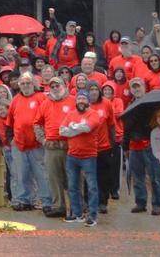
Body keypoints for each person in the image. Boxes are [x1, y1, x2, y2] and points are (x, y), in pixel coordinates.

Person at [60, 91, 102, 227]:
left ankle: (93, 215)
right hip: (72, 155)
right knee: (72, 186)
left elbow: (88, 127)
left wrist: (72, 127)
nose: (81, 101)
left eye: (84, 98)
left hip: (89, 155)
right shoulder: (71, 114)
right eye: (79, 99)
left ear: (88, 101)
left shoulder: (93, 114)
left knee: (92, 187)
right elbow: (61, 130)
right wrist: (78, 128)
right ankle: (77, 214)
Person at [35, 76, 75, 218]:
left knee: (73, 177)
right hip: (51, 147)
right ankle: (59, 206)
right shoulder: (45, 104)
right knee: (53, 177)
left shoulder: (73, 101)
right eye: (52, 86)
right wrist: (42, 139)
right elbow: (37, 123)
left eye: (57, 86)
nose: (55, 88)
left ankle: (77, 206)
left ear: (64, 86)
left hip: (70, 147)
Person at [6, 74, 46, 212]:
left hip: (37, 144)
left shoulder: (41, 98)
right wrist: (11, 138)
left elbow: (47, 118)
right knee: (22, 174)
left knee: (41, 174)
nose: (25, 86)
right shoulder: (15, 100)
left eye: (28, 83)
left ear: (33, 84)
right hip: (19, 144)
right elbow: (9, 122)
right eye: (22, 83)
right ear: (19, 85)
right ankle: (24, 200)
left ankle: (46, 201)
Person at [124, 78, 160, 216]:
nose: (136, 89)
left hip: (150, 145)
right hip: (134, 146)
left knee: (155, 177)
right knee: (137, 177)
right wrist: (125, 147)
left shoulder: (152, 104)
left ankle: (157, 204)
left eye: (138, 86)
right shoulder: (129, 105)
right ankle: (140, 202)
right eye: (134, 87)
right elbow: (126, 128)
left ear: (144, 88)